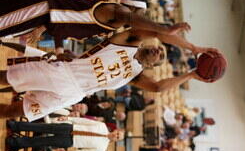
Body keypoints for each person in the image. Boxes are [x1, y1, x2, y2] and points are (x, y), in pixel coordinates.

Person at [0, 23, 221, 121]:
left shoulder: (136, 74)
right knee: (3, 79)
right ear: (148, 44)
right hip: (64, 73)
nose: (157, 51)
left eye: (160, 56)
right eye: (158, 48)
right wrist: (194, 48)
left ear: (153, 66)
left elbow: (158, 87)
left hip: (71, 95)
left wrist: (191, 75)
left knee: (13, 112)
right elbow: (156, 32)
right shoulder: (127, 41)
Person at [0, 0, 185, 54]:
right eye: (141, 15)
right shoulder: (115, 12)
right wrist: (165, 28)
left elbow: (63, 25)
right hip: (40, 8)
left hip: (43, 16)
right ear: (130, 8)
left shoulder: (110, 25)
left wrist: (58, 50)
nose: (141, 20)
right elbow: (132, 19)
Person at [6, 118, 125, 151]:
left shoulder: (102, 147)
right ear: (116, 130)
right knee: (42, 127)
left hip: (70, 141)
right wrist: (68, 119)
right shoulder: (102, 125)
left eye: (118, 137)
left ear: (116, 140)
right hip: (70, 128)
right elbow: (83, 120)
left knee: (43, 141)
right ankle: (16, 126)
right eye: (117, 133)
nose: (116, 135)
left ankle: (16, 142)